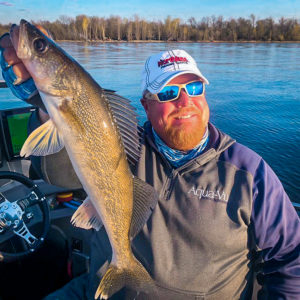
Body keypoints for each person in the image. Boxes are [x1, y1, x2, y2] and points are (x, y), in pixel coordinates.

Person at [1, 27, 300, 300]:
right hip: (100, 291)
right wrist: (45, 109)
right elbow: (61, 175)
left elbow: (290, 264)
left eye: (194, 88)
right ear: (145, 104)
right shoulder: (126, 146)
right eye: (168, 92)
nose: (185, 101)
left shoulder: (251, 175)